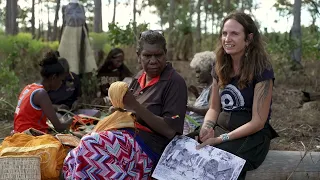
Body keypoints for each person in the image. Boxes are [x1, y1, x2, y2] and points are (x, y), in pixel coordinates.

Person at [62, 30, 188, 179]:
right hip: (128, 137)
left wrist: (135, 106)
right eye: (147, 56)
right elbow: (130, 109)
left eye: (158, 55)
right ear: (138, 55)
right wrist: (120, 110)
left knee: (91, 146)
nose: (153, 60)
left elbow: (169, 131)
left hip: (150, 148)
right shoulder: (139, 78)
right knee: (76, 154)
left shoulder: (174, 82)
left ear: (165, 53)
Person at [190, 11, 279, 179]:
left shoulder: (262, 69)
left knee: (217, 161)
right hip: (221, 128)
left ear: (249, 39)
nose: (227, 39)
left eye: (234, 34)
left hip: (251, 137)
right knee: (184, 148)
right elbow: (214, 108)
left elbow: (258, 122)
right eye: (224, 33)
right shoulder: (220, 64)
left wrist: (220, 139)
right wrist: (207, 128)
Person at [13, 51, 73, 133]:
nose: (61, 83)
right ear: (54, 77)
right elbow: (59, 127)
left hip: (20, 133)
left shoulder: (29, 87)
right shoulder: (41, 94)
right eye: (61, 80)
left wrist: (55, 107)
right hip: (29, 139)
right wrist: (73, 121)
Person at [58, 0, 97, 75]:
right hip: (68, 33)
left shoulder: (81, 7)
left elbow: (84, 22)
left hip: (81, 32)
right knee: (68, 54)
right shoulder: (64, 7)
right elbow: (64, 22)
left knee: (81, 54)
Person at [184, 51, 215, 134]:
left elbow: (209, 110)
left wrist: (188, 107)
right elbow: (204, 104)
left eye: (199, 72)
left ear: (209, 70)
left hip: (202, 132)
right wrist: (197, 95)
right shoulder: (206, 88)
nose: (196, 75)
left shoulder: (214, 88)